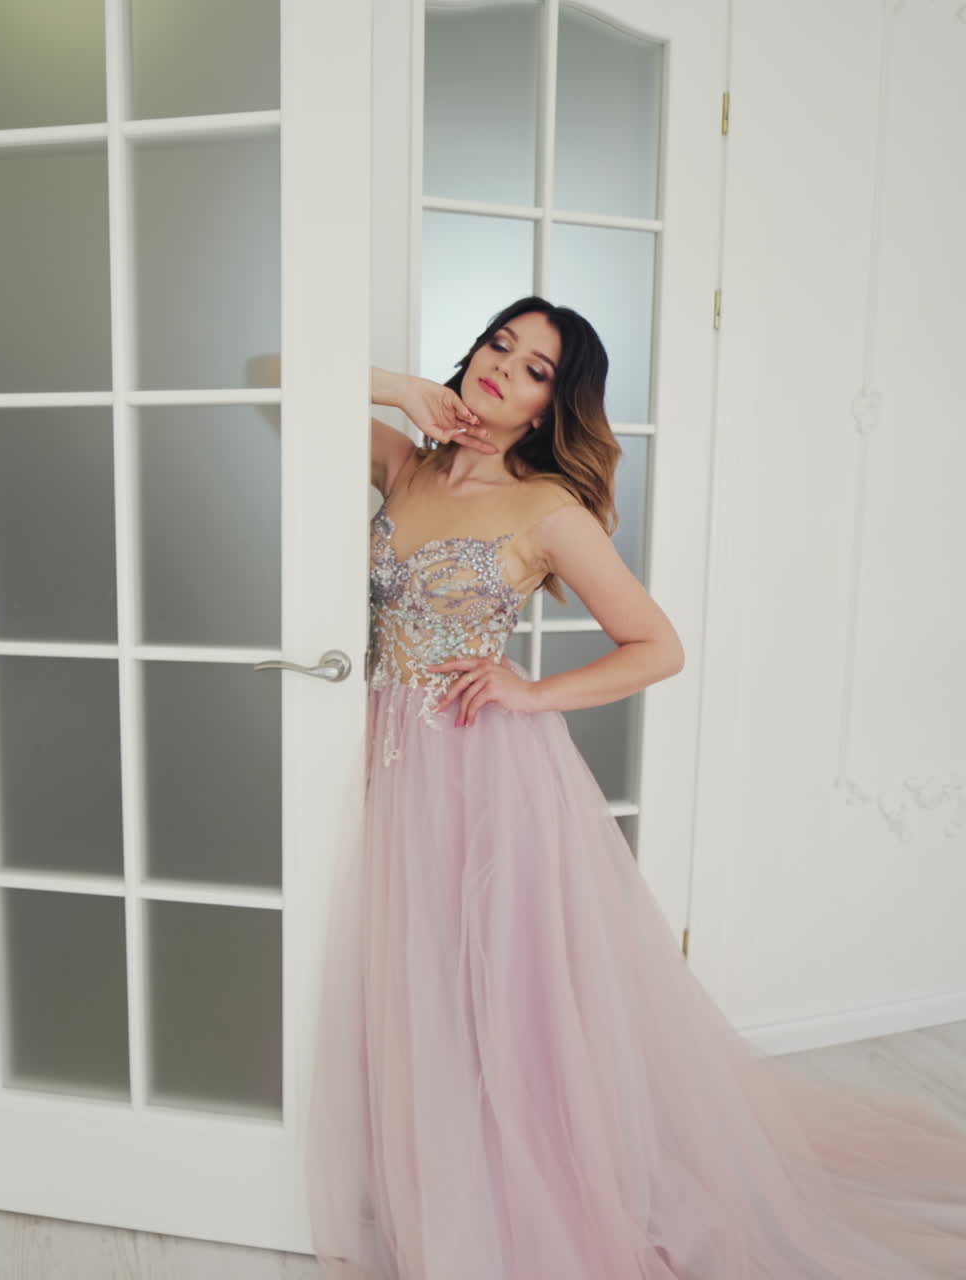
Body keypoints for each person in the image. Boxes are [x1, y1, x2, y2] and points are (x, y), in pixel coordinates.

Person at [303, 295, 966, 1278]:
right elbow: (274, 372)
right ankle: (426, 1177)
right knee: (417, 986)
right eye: (499, 344)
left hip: (484, 776)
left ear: (547, 407)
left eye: (535, 368)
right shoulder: (407, 463)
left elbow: (657, 645)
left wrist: (532, 692)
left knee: (501, 1000)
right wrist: (400, 388)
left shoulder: (546, 510)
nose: (504, 367)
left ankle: (519, 1200)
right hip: (380, 761)